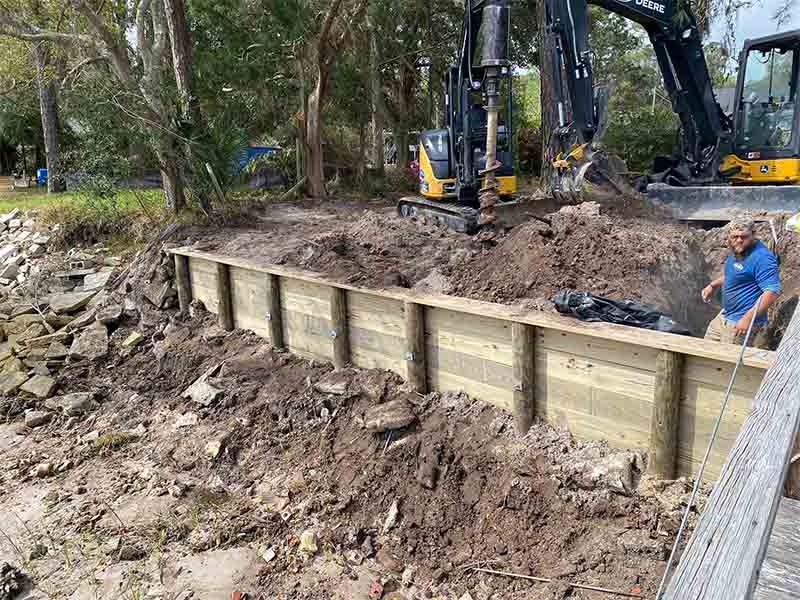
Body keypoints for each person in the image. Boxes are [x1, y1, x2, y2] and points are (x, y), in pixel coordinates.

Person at [702, 217, 781, 348]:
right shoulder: (738, 250)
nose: (739, 240)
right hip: (725, 315)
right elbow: (733, 275)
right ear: (729, 236)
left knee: (725, 364)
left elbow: (772, 292)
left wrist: (747, 319)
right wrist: (712, 285)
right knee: (704, 351)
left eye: (744, 236)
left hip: (740, 322)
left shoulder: (762, 258)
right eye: (735, 236)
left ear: (753, 235)